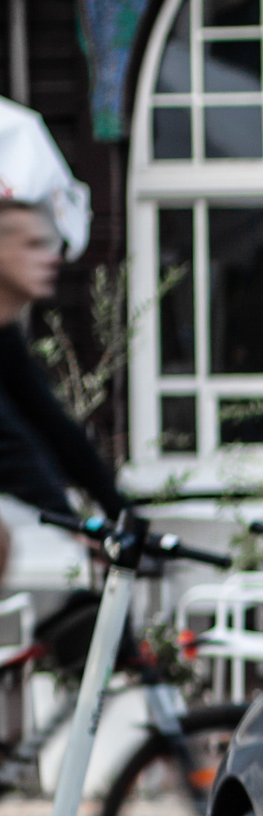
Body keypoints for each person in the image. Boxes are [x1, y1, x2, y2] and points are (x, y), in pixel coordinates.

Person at [0, 198, 126, 584]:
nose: (53, 258)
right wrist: (71, 522)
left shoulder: (5, 339)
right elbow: (9, 442)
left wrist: (122, 513)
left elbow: (54, 426)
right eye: (34, 245)